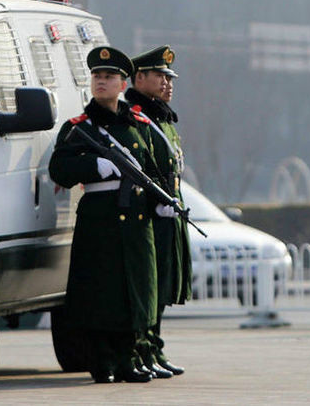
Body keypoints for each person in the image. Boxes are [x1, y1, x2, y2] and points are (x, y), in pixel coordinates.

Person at [48, 46, 162, 384]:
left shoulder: (139, 124)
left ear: (123, 83)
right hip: (100, 222)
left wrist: (161, 200)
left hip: (136, 222)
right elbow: (60, 168)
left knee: (135, 289)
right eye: (97, 76)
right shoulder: (79, 128)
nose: (102, 82)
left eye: (109, 77)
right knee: (100, 291)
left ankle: (129, 357)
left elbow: (152, 168)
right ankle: (104, 361)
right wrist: (94, 166)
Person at [125, 45, 191, 377]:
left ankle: (154, 347)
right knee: (147, 287)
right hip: (148, 213)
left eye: (169, 77)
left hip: (168, 211)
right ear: (139, 78)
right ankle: (142, 350)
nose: (168, 83)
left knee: (162, 284)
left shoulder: (162, 117)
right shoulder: (136, 115)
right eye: (160, 76)